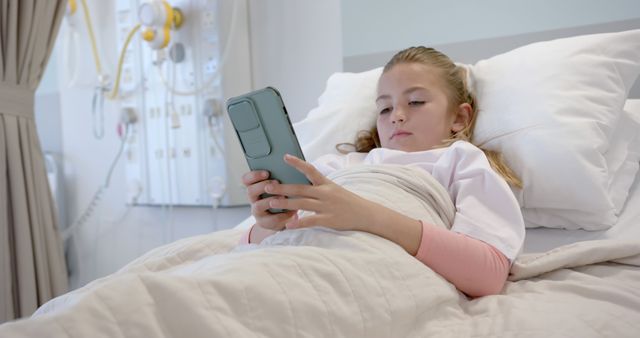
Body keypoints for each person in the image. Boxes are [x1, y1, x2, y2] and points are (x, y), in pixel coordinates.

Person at [239, 46, 525, 298]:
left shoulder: (460, 161)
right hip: (289, 262)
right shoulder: (340, 166)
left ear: (459, 117)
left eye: (415, 102)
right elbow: (246, 245)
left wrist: (366, 215)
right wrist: (267, 225)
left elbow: (489, 274)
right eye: (385, 108)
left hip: (361, 273)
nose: (397, 115)